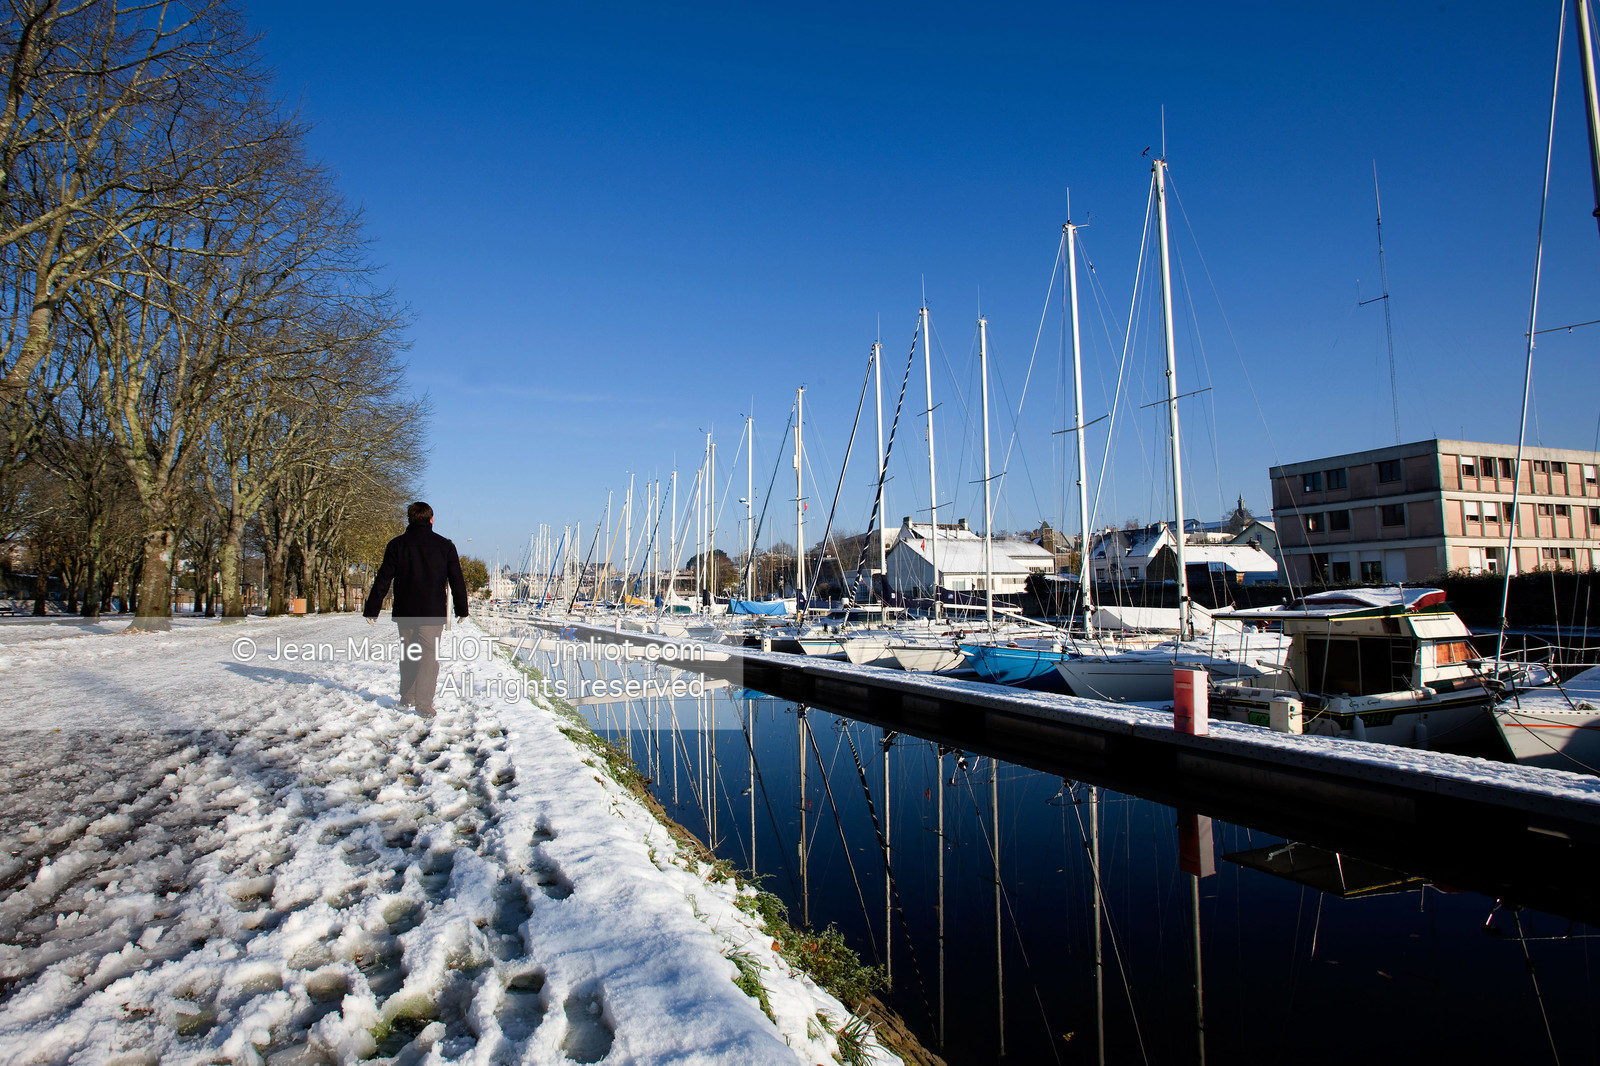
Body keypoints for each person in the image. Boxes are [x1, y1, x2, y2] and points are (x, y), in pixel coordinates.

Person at [363, 501, 469, 715]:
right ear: (431, 520)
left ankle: (407, 696)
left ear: (409, 519)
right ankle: (423, 704)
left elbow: (383, 578)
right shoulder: (445, 545)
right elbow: (456, 579)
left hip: (405, 610)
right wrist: (462, 609)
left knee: (409, 653)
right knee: (429, 657)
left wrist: (372, 608)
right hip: (432, 611)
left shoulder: (396, 545)